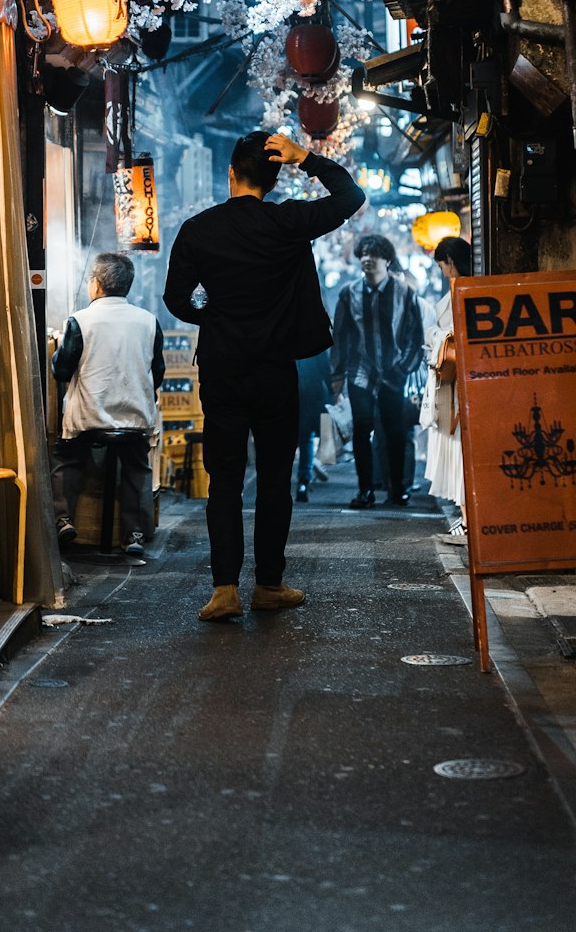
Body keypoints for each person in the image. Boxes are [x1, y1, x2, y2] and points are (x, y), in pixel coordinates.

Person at [163, 131, 365, 621]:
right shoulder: (289, 222)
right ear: (273, 181)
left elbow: (175, 299)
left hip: (222, 370)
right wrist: (307, 158)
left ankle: (225, 590)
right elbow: (351, 196)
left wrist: (210, 316)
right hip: (276, 371)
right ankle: (269, 585)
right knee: (275, 479)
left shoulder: (198, 230)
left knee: (225, 481)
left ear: (230, 173)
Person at [51, 252, 165, 558]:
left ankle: (63, 520)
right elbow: (158, 374)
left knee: (68, 457)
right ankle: (134, 533)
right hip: (135, 417)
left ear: (97, 285)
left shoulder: (79, 321)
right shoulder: (149, 321)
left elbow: (61, 370)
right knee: (136, 465)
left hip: (89, 418)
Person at [330, 234, 424, 508]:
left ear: (387, 259)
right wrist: (337, 377)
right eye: (363, 254)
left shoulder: (405, 293)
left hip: (394, 372)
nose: (367, 259)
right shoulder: (349, 293)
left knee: (395, 431)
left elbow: (414, 335)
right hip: (360, 371)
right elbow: (341, 337)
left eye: (373, 254)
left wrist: (404, 368)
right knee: (362, 429)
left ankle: (398, 489)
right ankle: (365, 490)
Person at [421, 234, 472, 544]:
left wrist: (434, 335)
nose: (441, 271)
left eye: (441, 265)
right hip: (448, 383)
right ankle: (464, 516)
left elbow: (454, 337)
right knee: (453, 449)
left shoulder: (460, 292)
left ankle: (467, 519)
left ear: (450, 263)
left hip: (452, 384)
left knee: (456, 450)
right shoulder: (461, 291)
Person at [295, 348, 332, 502]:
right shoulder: (314, 339)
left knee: (302, 439)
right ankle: (308, 472)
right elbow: (325, 369)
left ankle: (302, 479)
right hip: (315, 394)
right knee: (316, 437)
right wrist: (333, 392)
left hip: (295, 394)